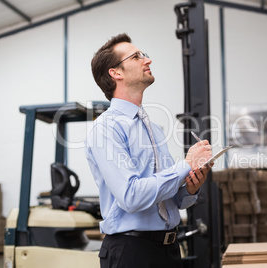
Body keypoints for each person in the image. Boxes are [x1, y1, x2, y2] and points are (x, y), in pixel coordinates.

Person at [86, 33, 213, 268]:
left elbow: (171, 200)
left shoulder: (152, 128)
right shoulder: (106, 128)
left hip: (169, 250)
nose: (148, 60)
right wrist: (185, 165)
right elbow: (131, 196)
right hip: (132, 252)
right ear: (116, 73)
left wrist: (190, 187)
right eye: (137, 57)